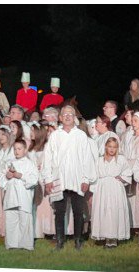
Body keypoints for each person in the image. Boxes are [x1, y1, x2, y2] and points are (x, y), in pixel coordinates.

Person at [42, 105, 98, 250]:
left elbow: (87, 159)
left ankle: (78, 240)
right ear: (60, 118)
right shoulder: (55, 135)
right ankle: (60, 241)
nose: (67, 116)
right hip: (59, 179)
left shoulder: (80, 135)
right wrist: (48, 179)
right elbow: (47, 158)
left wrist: (86, 179)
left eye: (70, 114)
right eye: (64, 114)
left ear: (74, 118)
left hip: (77, 179)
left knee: (78, 211)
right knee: (59, 211)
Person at [91, 137, 132, 247]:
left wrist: (122, 178)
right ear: (105, 147)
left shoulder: (121, 159)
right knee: (102, 210)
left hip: (115, 189)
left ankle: (113, 238)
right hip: (102, 189)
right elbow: (94, 175)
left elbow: (128, 172)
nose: (112, 149)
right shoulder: (99, 160)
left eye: (114, 147)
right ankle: (103, 235)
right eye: (110, 146)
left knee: (113, 211)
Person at [0, 140, 40, 250]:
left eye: (19, 149)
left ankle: (25, 244)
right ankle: (11, 244)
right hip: (11, 196)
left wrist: (20, 175)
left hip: (23, 197)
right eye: (15, 149)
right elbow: (1, 180)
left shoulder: (30, 163)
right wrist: (7, 177)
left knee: (24, 221)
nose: (17, 151)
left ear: (25, 150)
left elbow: (34, 180)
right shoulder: (8, 163)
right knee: (11, 220)